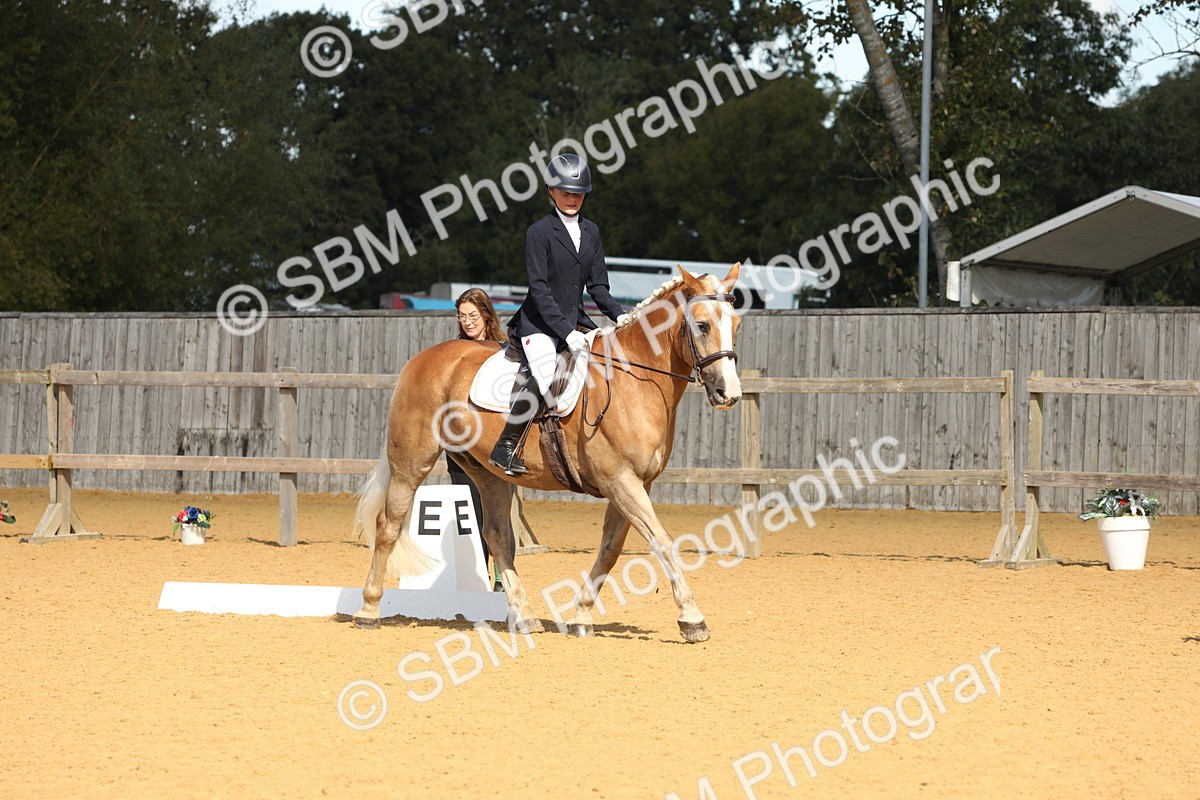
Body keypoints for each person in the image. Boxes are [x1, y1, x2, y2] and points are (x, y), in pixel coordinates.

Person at [489, 153, 625, 476]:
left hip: (575, 322)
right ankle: (505, 446)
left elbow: (598, 287)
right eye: (566, 192)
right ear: (551, 191)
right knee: (547, 369)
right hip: (539, 324)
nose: (573, 199)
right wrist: (565, 332)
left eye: (578, 194)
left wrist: (622, 318)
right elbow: (539, 288)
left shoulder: (591, 232)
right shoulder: (539, 232)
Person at [447, 288, 507, 590]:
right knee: (470, 510)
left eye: (472, 315)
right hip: (460, 447)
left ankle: (501, 575)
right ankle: (478, 575)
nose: (467, 321)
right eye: (462, 316)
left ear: (486, 314)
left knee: (497, 509)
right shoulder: (452, 352)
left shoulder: (503, 349)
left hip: (496, 444)